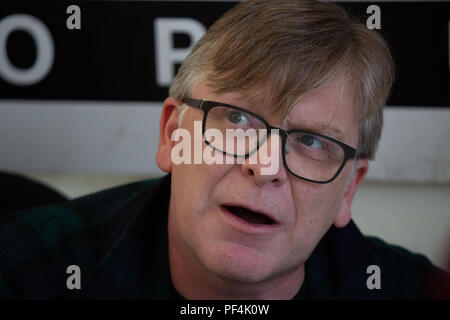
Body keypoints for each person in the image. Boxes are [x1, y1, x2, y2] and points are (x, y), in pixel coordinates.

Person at [0, 0, 448, 299]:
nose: (265, 166)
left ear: (349, 188)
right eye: (238, 119)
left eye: (312, 141)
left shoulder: (419, 291)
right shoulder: (21, 268)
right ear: (173, 135)